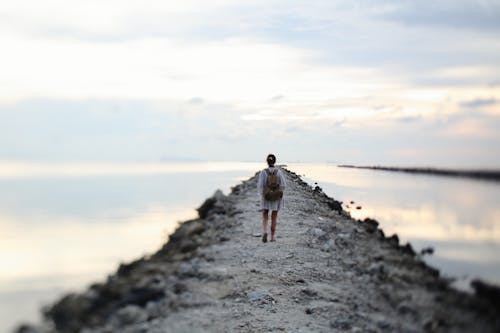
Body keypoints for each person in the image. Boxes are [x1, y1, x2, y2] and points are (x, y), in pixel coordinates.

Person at [257, 154, 286, 243]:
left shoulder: (263, 172)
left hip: (266, 197)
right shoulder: (279, 172)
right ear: (274, 162)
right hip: (276, 197)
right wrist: (277, 191)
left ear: (267, 162)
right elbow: (284, 185)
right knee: (274, 216)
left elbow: (261, 186)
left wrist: (264, 194)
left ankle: (265, 232)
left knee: (265, 215)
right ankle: (272, 237)